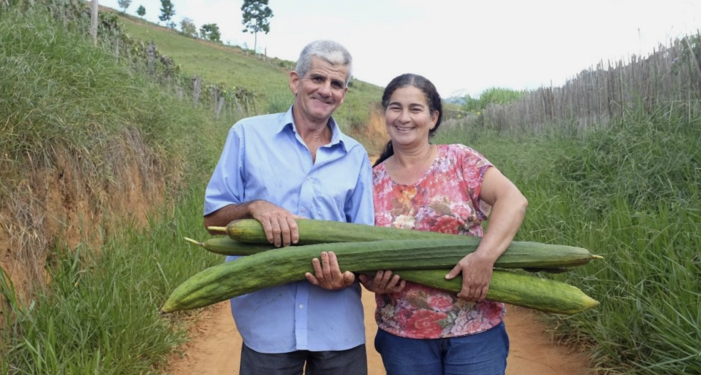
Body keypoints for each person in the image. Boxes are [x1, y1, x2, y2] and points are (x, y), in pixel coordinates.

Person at [203, 40, 374, 375]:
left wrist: (348, 276)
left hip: (338, 327)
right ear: (296, 81)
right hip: (266, 326)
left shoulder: (355, 156)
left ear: (344, 93)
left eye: (337, 84)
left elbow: (365, 242)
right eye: (317, 79)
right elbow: (212, 221)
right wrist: (254, 207)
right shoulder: (247, 135)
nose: (326, 90)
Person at [359, 73, 528, 375]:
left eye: (415, 109)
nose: (404, 117)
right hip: (403, 335)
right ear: (385, 114)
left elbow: (513, 200)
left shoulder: (460, 160)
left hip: (475, 329)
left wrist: (485, 256)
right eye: (395, 108)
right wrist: (371, 281)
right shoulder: (370, 181)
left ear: (433, 118)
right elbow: (359, 251)